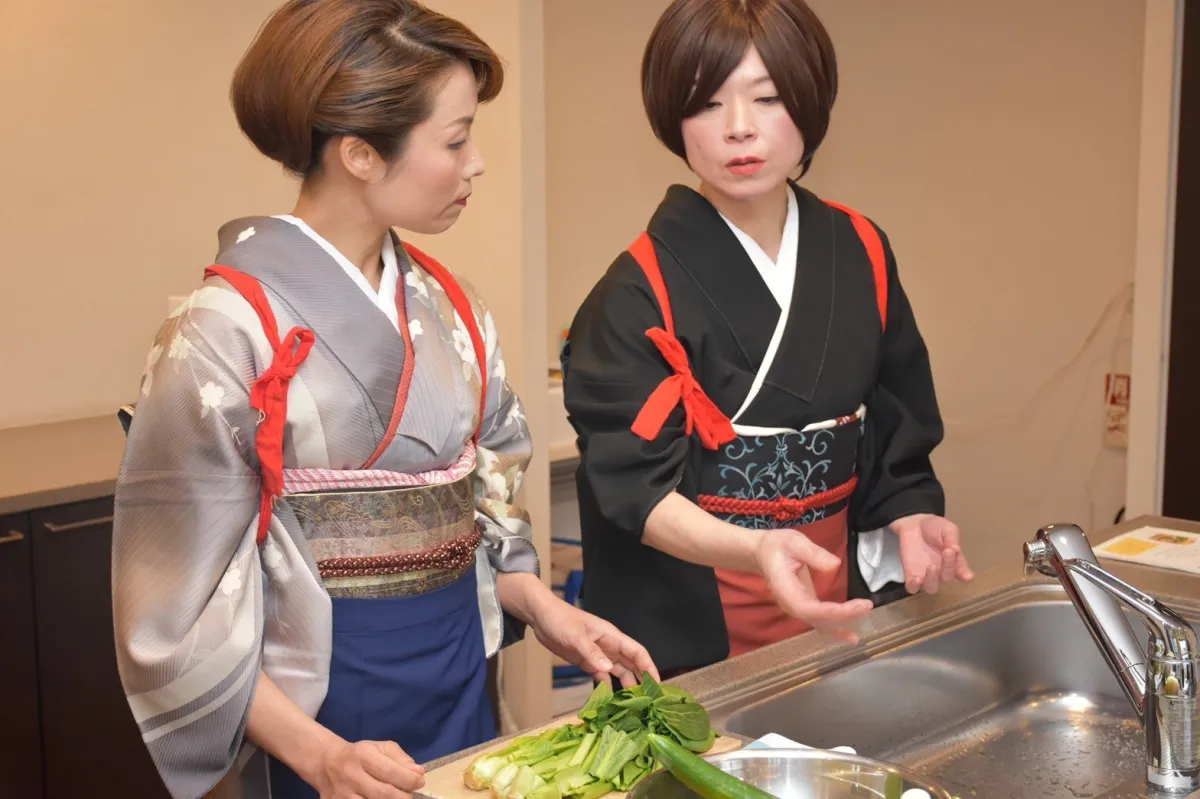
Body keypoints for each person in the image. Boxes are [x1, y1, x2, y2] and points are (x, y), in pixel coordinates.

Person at [111, 2, 657, 798]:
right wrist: (321, 756)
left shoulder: (455, 309)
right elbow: (175, 615)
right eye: (456, 140)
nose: (476, 164)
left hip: (460, 682)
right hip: (316, 725)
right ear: (361, 154)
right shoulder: (223, 333)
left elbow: (487, 517)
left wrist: (547, 610)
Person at [560, 0, 974, 680]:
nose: (739, 128)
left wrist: (910, 513)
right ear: (672, 117)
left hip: (831, 587)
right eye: (707, 103)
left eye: (768, 97)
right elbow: (633, 487)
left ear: (809, 101)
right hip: (696, 611)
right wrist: (756, 550)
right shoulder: (636, 290)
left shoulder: (860, 248)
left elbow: (895, 415)